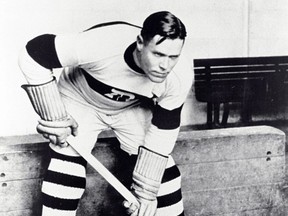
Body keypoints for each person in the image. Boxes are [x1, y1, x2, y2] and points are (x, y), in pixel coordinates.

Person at [18, 11, 193, 216]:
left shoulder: (179, 74)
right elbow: (32, 54)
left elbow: (164, 130)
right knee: (66, 163)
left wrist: (146, 191)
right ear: (139, 42)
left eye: (173, 57)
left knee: (162, 177)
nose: (165, 65)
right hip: (80, 98)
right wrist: (53, 116)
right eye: (158, 54)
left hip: (130, 107)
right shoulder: (102, 43)